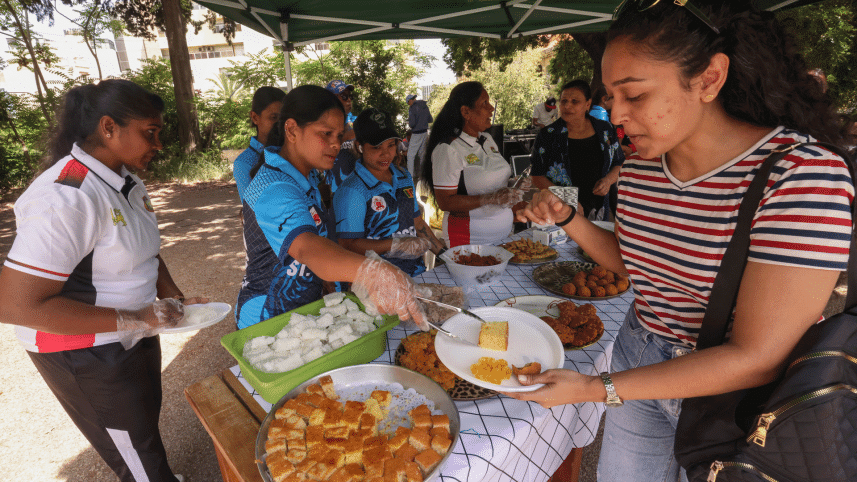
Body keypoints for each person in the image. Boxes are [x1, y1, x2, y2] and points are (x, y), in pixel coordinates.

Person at [505, 2, 851, 482]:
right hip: (638, 353)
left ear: (710, 78)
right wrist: (569, 217)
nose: (616, 113)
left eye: (635, 95)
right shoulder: (644, 169)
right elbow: (635, 265)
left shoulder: (802, 178)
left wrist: (592, 387)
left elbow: (757, 356)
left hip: (733, 397)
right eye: (609, 95)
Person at [0, 79, 208, 482]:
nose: (159, 144)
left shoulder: (123, 179)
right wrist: (138, 317)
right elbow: (15, 305)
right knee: (134, 452)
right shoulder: (66, 196)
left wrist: (170, 296)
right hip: (83, 350)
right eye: (151, 132)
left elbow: (143, 246)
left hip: (132, 330)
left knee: (141, 425)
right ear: (109, 128)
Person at [236, 85, 427, 330]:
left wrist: (328, 281)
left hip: (305, 311)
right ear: (292, 130)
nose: (336, 144)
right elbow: (308, 248)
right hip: (268, 320)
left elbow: (321, 237)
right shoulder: (275, 187)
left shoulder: (308, 176)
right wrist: (375, 272)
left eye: (339, 135)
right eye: (325, 133)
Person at [334, 108, 445, 277]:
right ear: (360, 146)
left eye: (391, 145)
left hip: (416, 272)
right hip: (377, 280)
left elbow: (417, 222)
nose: (386, 153)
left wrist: (445, 255)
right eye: (376, 147)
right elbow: (348, 244)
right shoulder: (353, 190)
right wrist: (395, 244)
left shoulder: (403, 176)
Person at [421, 81, 528, 247]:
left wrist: (516, 184)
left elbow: (496, 181)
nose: (491, 108)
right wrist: (490, 198)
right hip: (469, 240)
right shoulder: (449, 149)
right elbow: (445, 202)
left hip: (505, 234)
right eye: (484, 103)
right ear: (466, 112)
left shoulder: (487, 140)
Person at [530, 80, 625, 219]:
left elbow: (619, 161)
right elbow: (537, 175)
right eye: (564, 101)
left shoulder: (605, 129)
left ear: (587, 104)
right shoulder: (548, 135)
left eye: (575, 101)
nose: (567, 106)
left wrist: (608, 181)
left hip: (598, 209)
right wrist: (567, 199)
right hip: (560, 210)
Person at [233, 86, 286, 201]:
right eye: (273, 117)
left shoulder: (293, 151)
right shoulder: (244, 163)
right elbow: (251, 211)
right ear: (255, 117)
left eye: (284, 118)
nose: (280, 124)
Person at [406, 94, 433, 181]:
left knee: (410, 155)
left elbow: (412, 124)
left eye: (408, 103)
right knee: (422, 154)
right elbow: (430, 120)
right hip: (425, 132)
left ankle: (410, 176)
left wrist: (409, 123)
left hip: (416, 133)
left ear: (410, 101)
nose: (409, 104)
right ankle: (423, 176)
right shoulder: (424, 105)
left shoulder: (412, 108)